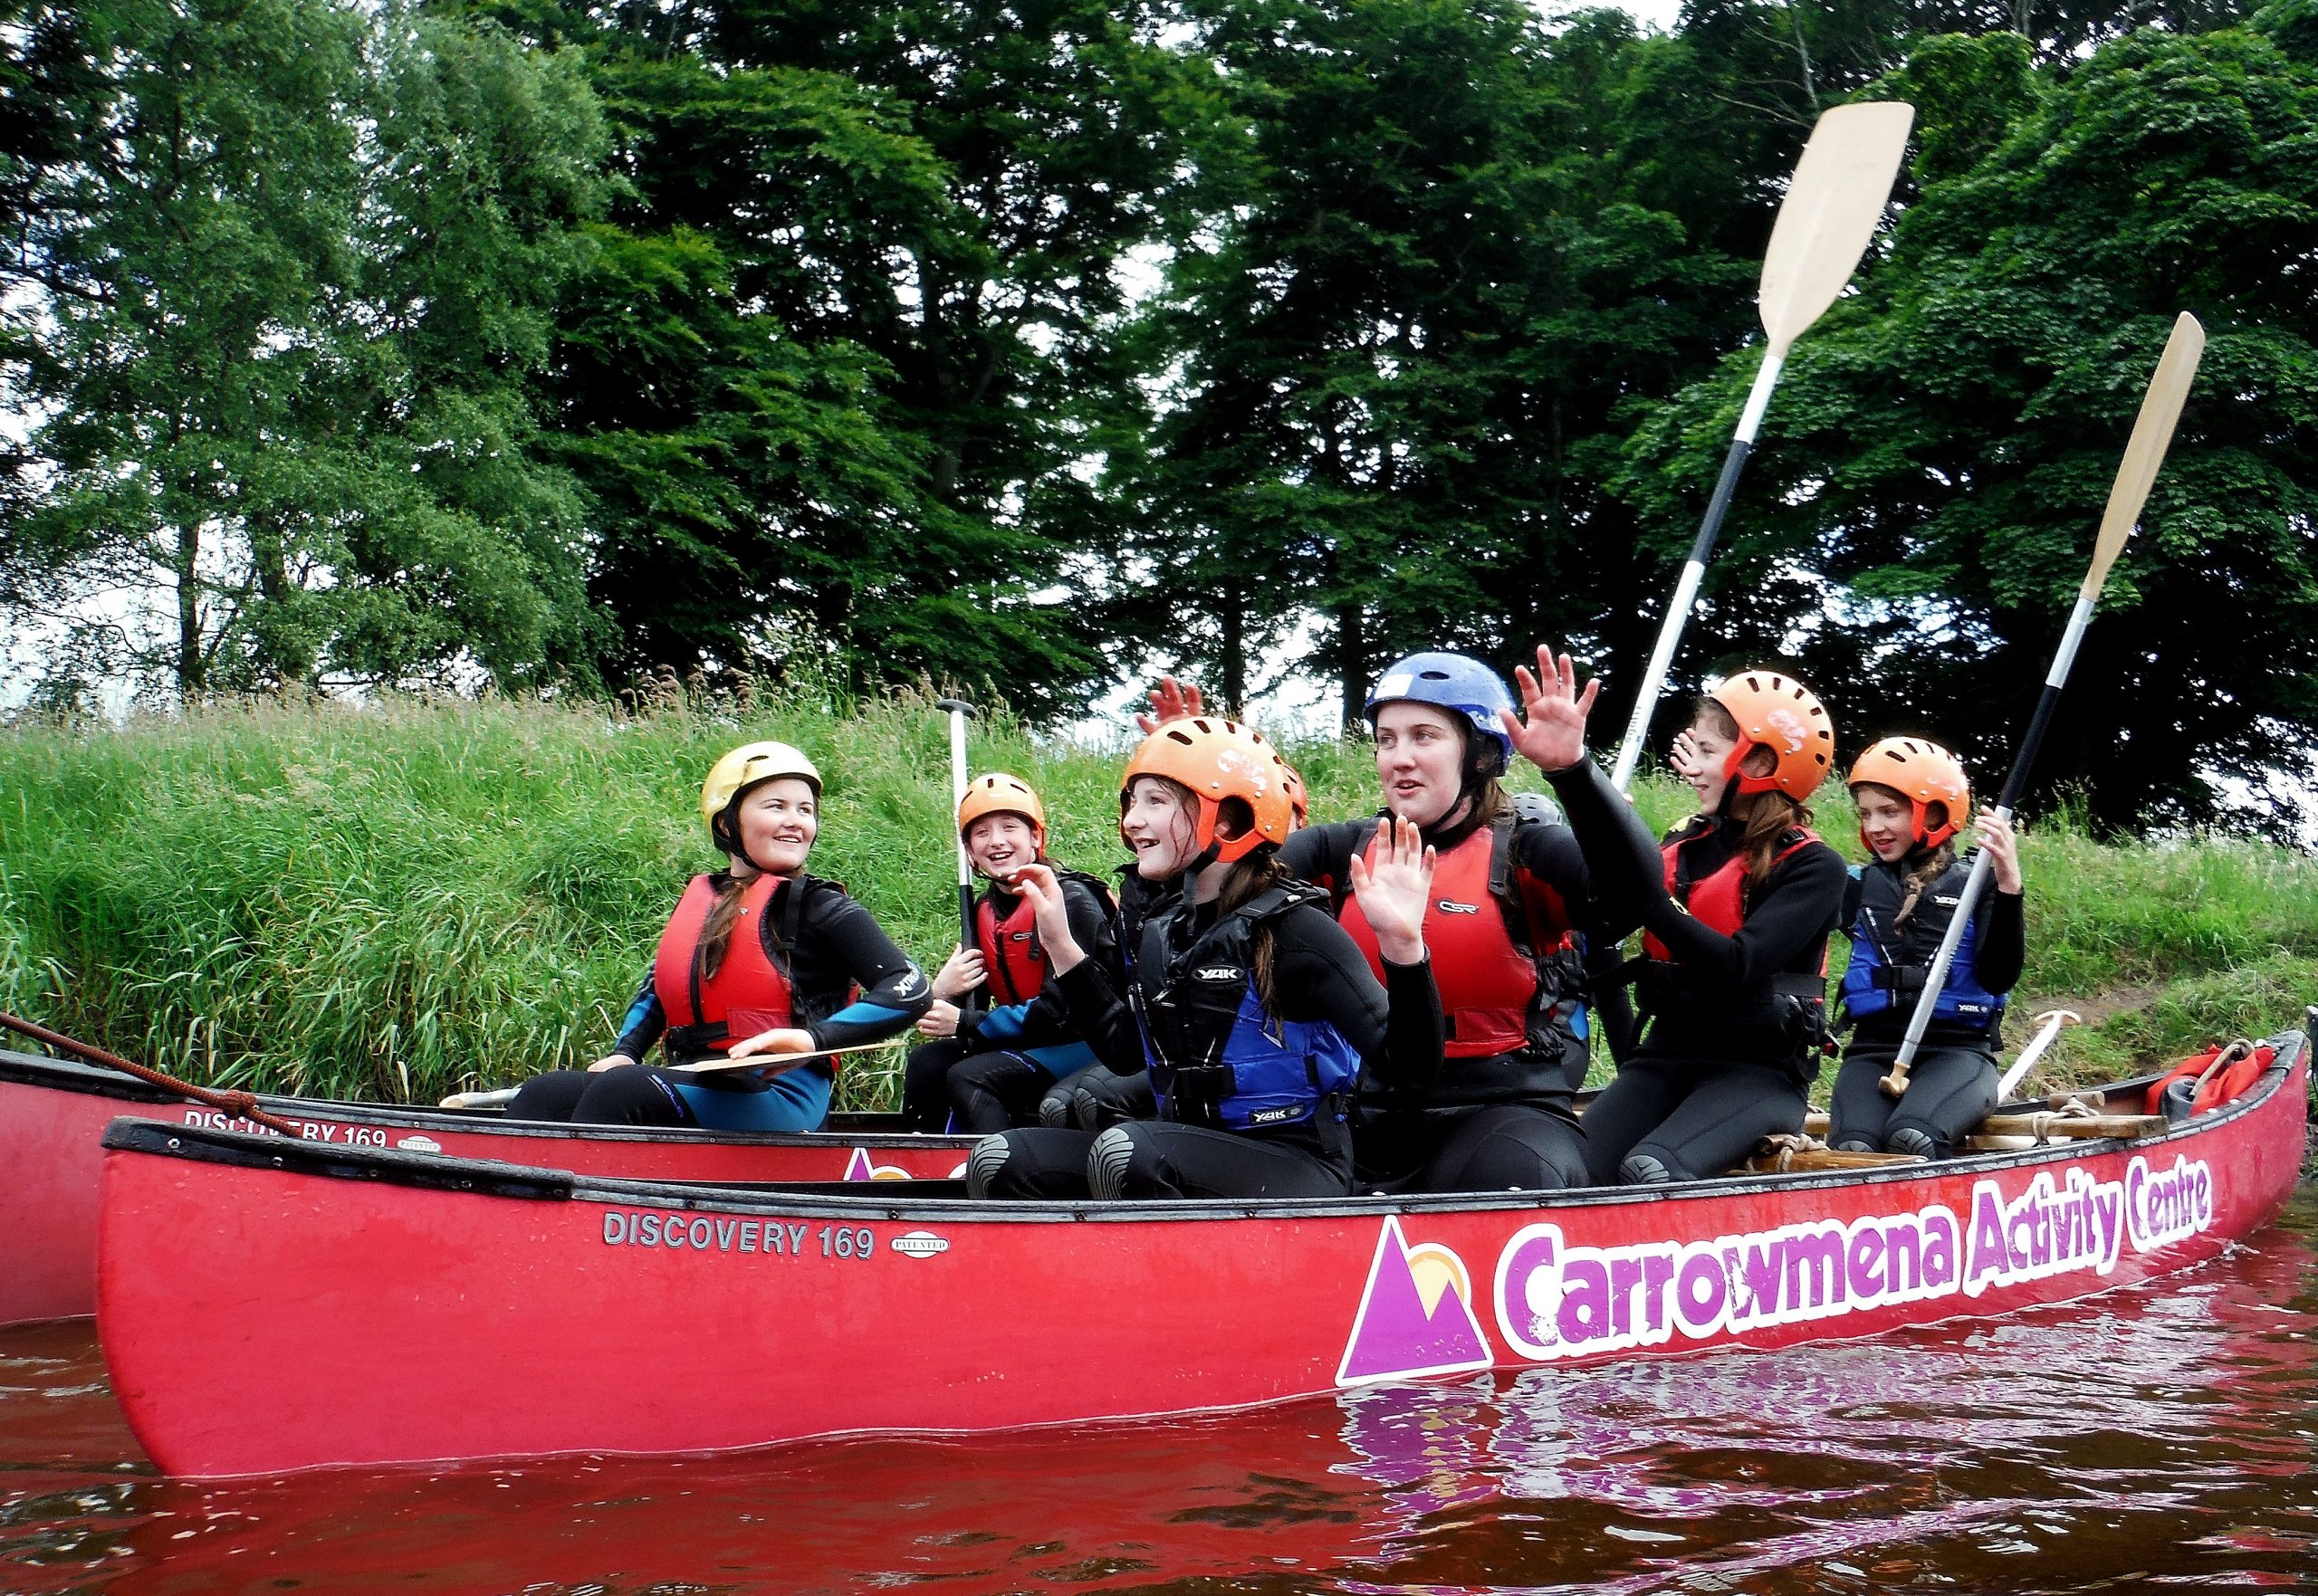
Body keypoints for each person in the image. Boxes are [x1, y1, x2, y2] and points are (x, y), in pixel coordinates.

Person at [969, 717, 1444, 1199]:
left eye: (1156, 802)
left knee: (1125, 1153)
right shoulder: (1163, 928)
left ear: (1227, 819)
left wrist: (1404, 949)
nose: (1132, 821)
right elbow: (1123, 1052)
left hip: (1298, 1159)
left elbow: (1411, 1069)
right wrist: (1062, 947)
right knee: (1001, 1159)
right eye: (1133, 802)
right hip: (1191, 1142)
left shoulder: (1296, 930)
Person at [1503, 653, 1849, 1184]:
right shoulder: (1684, 842)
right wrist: (1586, 799)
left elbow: (1740, 964)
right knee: (1565, 1172)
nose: (1691, 765)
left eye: (1708, 750)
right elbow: (1608, 916)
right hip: (1665, 1054)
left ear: (1759, 766)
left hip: (1757, 1072)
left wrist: (1648, 900)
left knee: (1650, 1169)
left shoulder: (1812, 865)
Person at [505, 741, 931, 1130]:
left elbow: (908, 989)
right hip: (693, 1076)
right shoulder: (704, 899)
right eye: (776, 806)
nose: (795, 822)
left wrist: (811, 1039)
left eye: (805, 810)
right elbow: (661, 987)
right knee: (549, 1091)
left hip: (779, 1093)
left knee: (625, 1091)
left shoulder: (821, 907)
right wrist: (626, 1051)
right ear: (728, 824)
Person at [1827, 737, 2026, 1157]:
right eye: (1866, 814)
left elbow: (1999, 975)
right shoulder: (1854, 886)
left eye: (1889, 812)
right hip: (1872, 1050)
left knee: (1911, 1137)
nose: (1875, 826)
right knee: (1853, 1149)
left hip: (1957, 1053)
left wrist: (2009, 884)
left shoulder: (1979, 881)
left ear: (1935, 812)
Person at [899, 774, 1116, 1132]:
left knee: (971, 1077)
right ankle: (917, 1165)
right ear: (970, 851)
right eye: (981, 833)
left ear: (1035, 837)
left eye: (1009, 828)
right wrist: (945, 991)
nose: (996, 841)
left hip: (1085, 1044)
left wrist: (966, 1023)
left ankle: (998, 1172)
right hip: (1031, 1039)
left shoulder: (1073, 899)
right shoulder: (984, 910)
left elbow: (1062, 1012)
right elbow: (970, 1013)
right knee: (928, 1061)